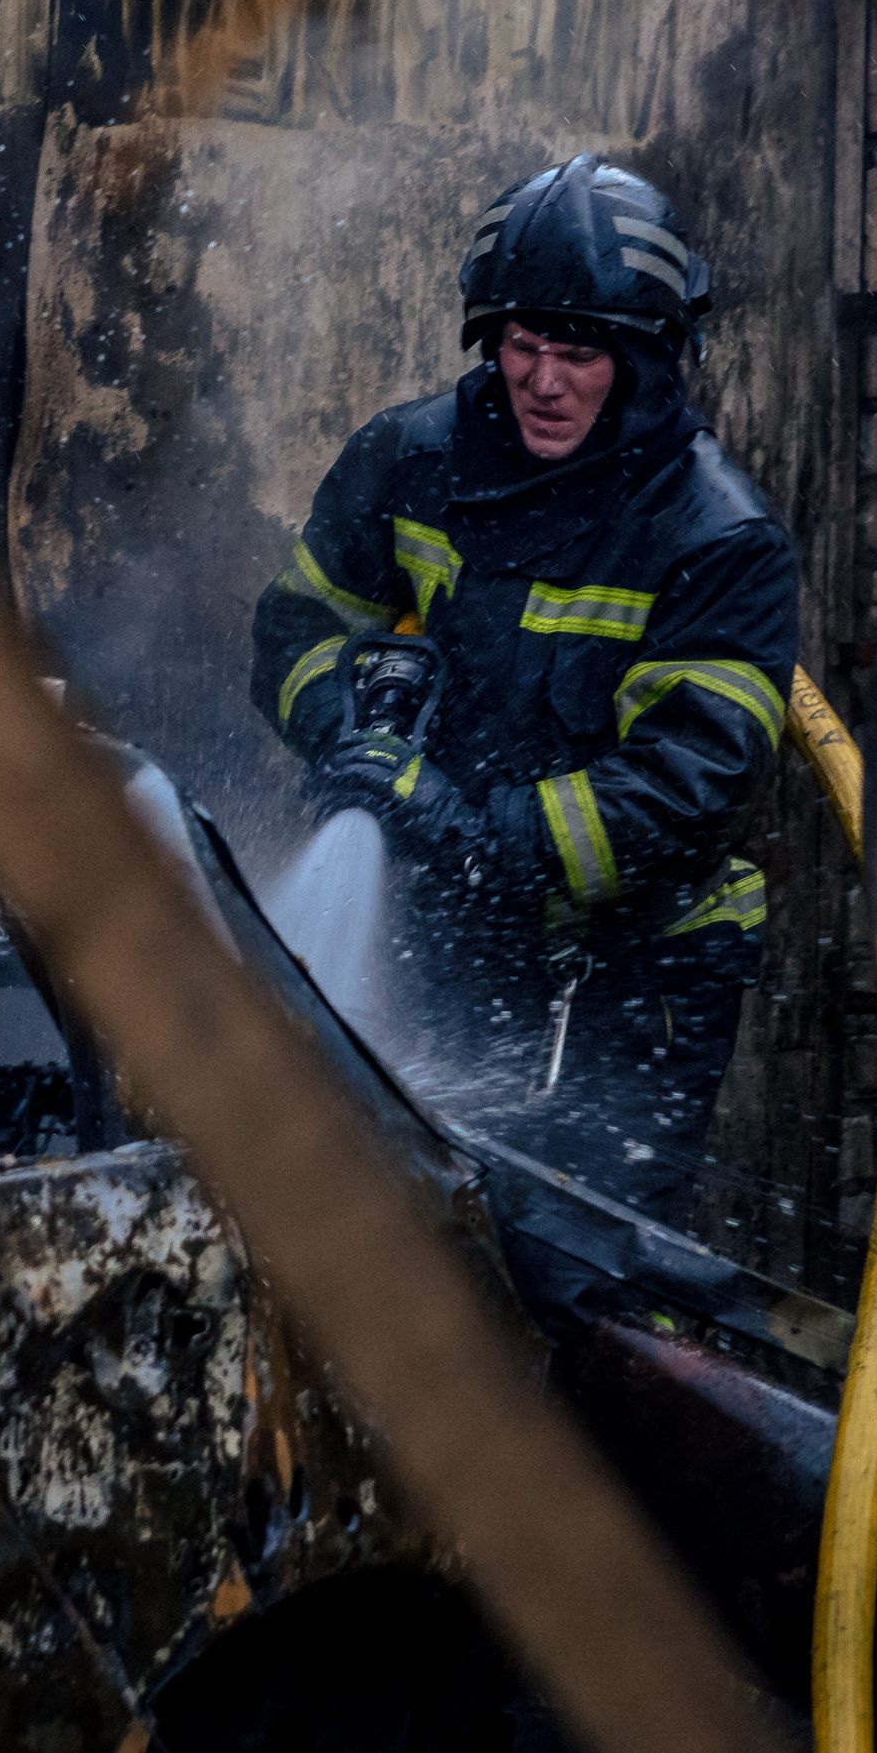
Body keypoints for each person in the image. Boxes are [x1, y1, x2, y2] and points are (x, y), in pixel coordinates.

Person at [249, 154, 798, 1198]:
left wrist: (466, 829)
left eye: (579, 353)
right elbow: (294, 629)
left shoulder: (719, 537)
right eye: (522, 344)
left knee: (585, 1267)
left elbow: (690, 790)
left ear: (643, 359)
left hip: (635, 972)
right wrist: (345, 740)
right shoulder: (409, 462)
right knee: (417, 1241)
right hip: (448, 934)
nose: (544, 381)